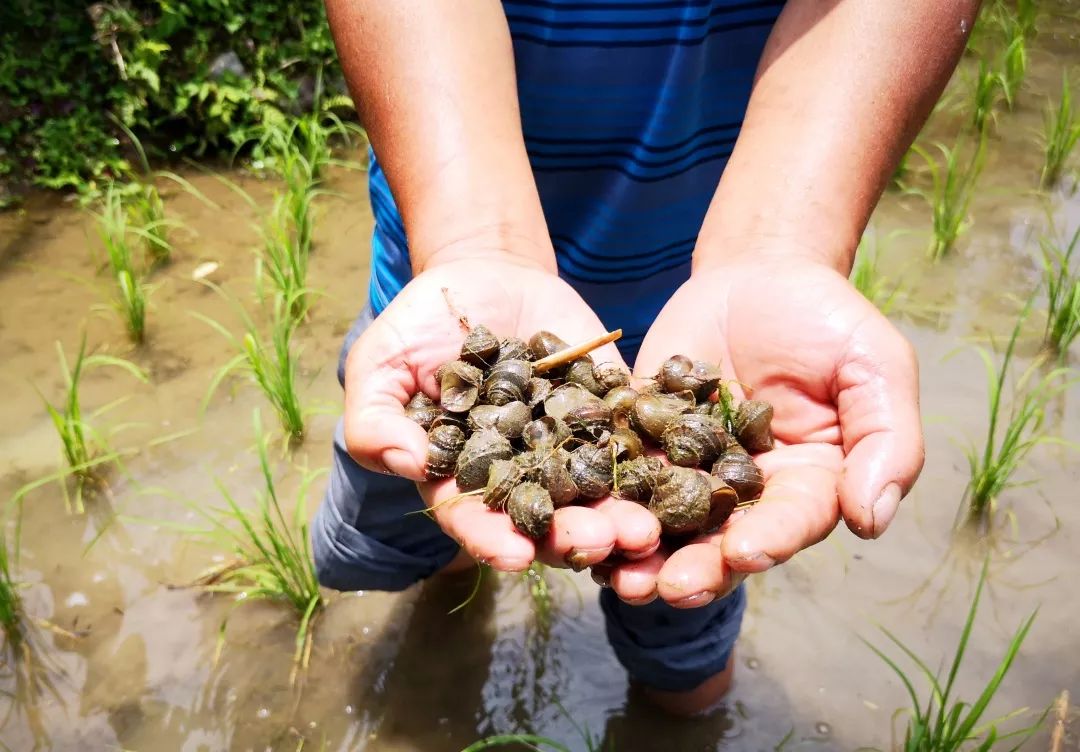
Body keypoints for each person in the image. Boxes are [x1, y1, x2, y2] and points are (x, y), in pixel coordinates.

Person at [312, 0, 973, 716]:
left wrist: (784, 242)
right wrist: (471, 238)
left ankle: (674, 699)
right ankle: (450, 597)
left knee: (685, 630)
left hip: (717, 308)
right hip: (434, 296)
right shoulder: (472, 382)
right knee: (426, 527)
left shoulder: (672, 429)